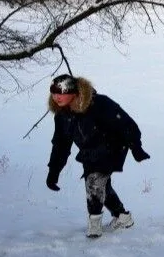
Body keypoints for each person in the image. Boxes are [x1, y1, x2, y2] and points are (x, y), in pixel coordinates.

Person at [45, 74, 150, 238]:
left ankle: (94, 226)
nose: (56, 97)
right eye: (53, 92)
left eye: (61, 92)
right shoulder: (62, 116)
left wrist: (136, 147)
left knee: (94, 182)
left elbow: (127, 124)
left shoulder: (98, 104)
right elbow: (60, 145)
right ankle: (123, 217)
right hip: (89, 151)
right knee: (103, 187)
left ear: (73, 92)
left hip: (112, 147)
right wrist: (54, 171)